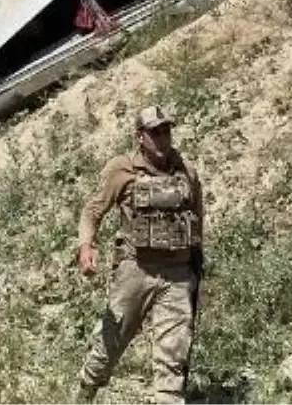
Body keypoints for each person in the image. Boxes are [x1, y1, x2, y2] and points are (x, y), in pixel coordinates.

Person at [74, 105, 204, 404]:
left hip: (177, 276)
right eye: (154, 132)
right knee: (108, 347)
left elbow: (198, 219)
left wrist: (196, 266)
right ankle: (83, 396)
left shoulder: (187, 172)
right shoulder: (122, 169)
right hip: (135, 272)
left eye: (166, 130)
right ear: (139, 137)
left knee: (173, 358)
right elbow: (92, 211)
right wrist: (86, 247)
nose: (162, 138)